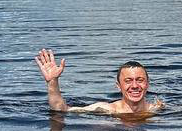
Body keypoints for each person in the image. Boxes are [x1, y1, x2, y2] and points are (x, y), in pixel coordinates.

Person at [33, 49, 164, 118]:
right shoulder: (106, 109)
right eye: (128, 81)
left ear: (147, 84)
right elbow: (60, 110)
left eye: (140, 80)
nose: (135, 86)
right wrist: (52, 81)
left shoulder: (157, 109)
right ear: (118, 86)